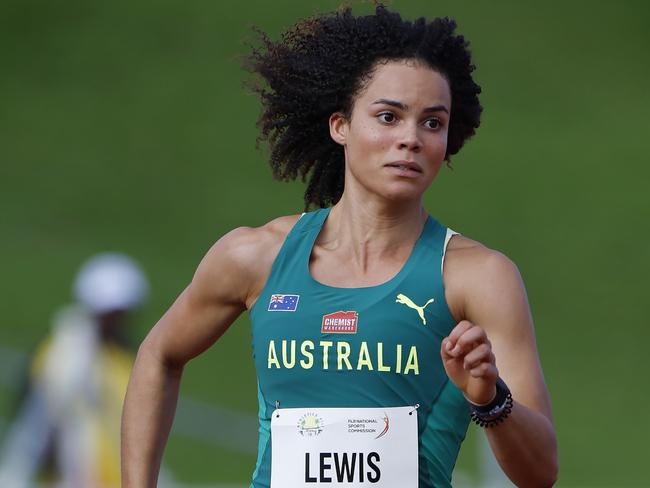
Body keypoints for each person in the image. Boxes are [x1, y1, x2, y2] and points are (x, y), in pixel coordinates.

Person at [121, 5, 558, 488]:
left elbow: (540, 474)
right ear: (340, 126)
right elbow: (159, 356)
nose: (410, 139)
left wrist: (490, 400)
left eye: (432, 123)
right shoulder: (256, 256)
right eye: (388, 117)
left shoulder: (477, 276)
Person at [0, 253, 149, 488]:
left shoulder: (125, 357)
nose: (118, 321)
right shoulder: (63, 354)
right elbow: (38, 423)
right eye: (111, 313)